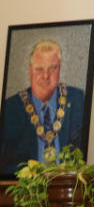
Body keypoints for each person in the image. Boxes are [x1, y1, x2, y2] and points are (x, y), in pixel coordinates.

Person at [0, 39, 85, 175]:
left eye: (52, 68)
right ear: (30, 71)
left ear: (60, 68)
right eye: (39, 69)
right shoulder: (11, 108)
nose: (46, 76)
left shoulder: (77, 100)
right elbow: (5, 166)